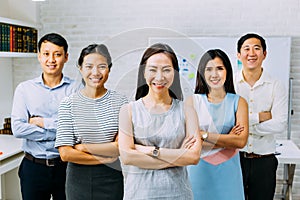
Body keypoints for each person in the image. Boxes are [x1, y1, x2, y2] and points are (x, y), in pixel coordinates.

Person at [118, 43, 202, 200]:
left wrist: (149, 150)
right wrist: (178, 155)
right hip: (139, 195)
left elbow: (193, 157)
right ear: (143, 72)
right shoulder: (128, 110)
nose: (159, 77)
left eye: (166, 70)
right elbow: (127, 157)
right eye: (153, 69)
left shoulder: (188, 111)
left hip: (178, 194)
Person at [11, 33, 80, 200]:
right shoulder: (24, 89)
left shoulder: (76, 89)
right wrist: (59, 131)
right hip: (33, 167)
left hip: (66, 167)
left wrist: (41, 122)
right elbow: (18, 128)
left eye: (57, 54)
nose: (51, 60)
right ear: (39, 56)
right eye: (46, 54)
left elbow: (78, 128)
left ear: (66, 57)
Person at [55, 44, 127, 200]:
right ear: (80, 68)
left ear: (109, 68)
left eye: (102, 66)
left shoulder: (121, 102)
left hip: (111, 178)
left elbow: (120, 147)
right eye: (89, 66)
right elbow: (66, 153)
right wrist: (104, 158)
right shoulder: (68, 104)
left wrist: (83, 147)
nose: (95, 73)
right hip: (78, 180)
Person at [187, 49, 249, 200]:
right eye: (209, 69)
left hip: (229, 173)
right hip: (198, 172)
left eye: (219, 68)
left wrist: (204, 135)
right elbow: (190, 144)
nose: (214, 74)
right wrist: (228, 139)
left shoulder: (238, 102)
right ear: (202, 73)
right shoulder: (192, 101)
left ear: (227, 71)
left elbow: (241, 141)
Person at [235, 33, 288, 200]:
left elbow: (279, 124)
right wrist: (260, 117)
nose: (252, 53)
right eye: (246, 49)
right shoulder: (230, 84)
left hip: (265, 160)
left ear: (264, 54)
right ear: (239, 55)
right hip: (235, 160)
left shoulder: (276, 85)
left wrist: (243, 124)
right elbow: (226, 122)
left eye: (257, 48)